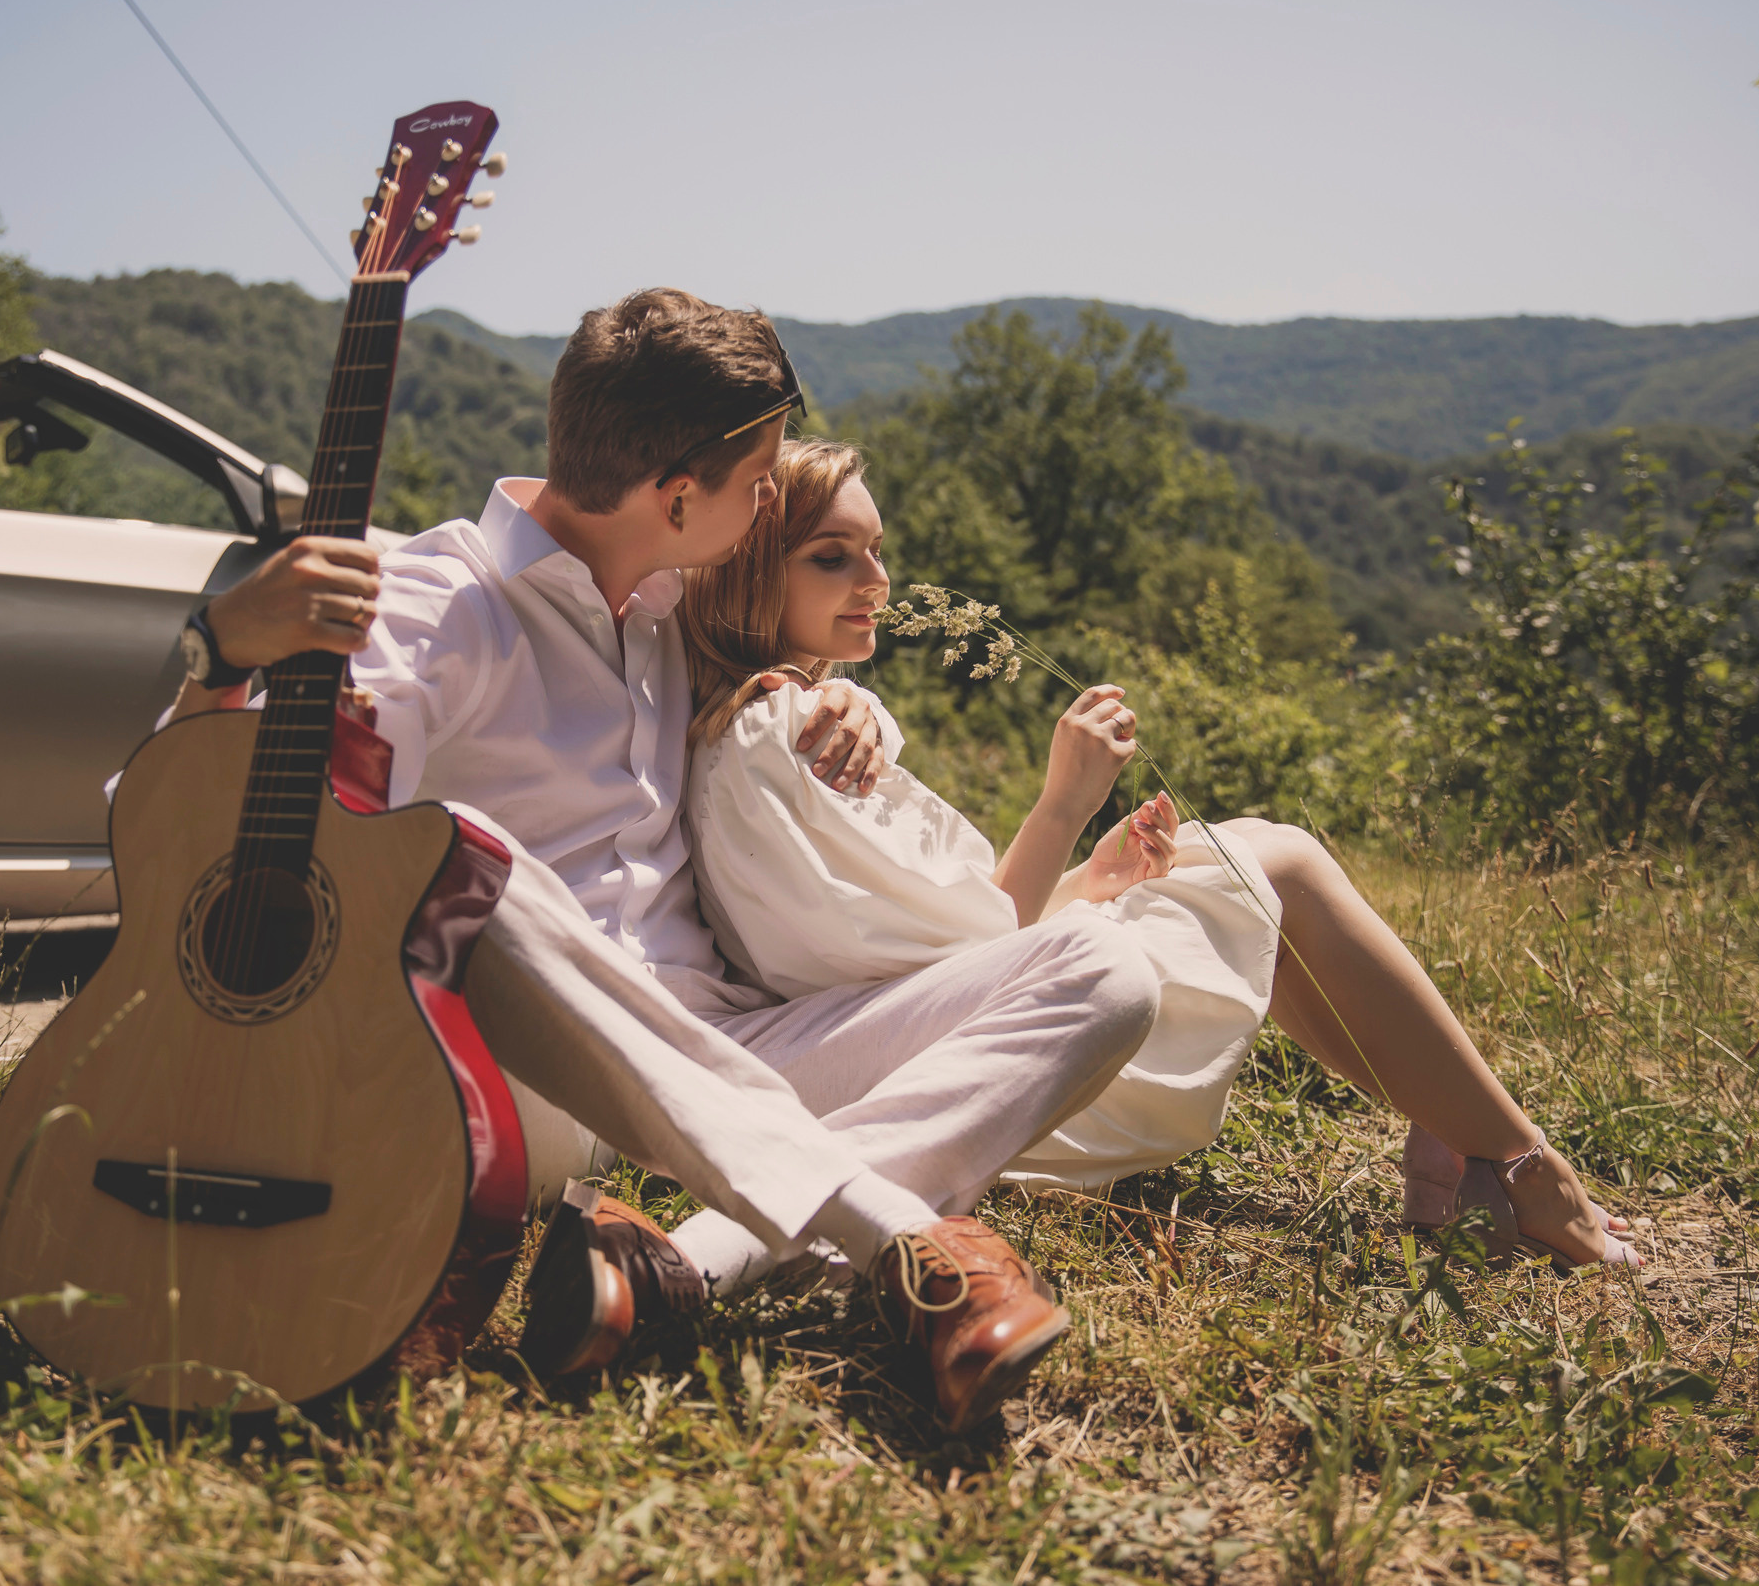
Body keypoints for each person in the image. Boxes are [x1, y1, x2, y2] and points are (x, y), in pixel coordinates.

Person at [174, 289, 1169, 1431]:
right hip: (529, 1064)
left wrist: (847, 702)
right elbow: (212, 813)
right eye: (757, 485)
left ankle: (674, 1270)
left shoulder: (662, 605)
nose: (765, 507)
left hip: (721, 1043)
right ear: (677, 493)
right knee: (475, 865)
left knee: (1104, 968)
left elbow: (798, 648)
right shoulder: (442, 604)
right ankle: (900, 1241)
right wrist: (218, 651)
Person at [672, 437, 1643, 1271]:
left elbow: (921, 950)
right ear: (749, 567)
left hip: (917, 1034)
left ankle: (1467, 1147)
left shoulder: (775, 720)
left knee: (1251, 855)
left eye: (875, 551)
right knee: (1280, 863)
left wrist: (1093, 880)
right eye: (831, 557)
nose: (875, 582)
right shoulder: (786, 732)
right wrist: (1062, 800)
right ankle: (1522, 1165)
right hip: (949, 1071)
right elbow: (966, 946)